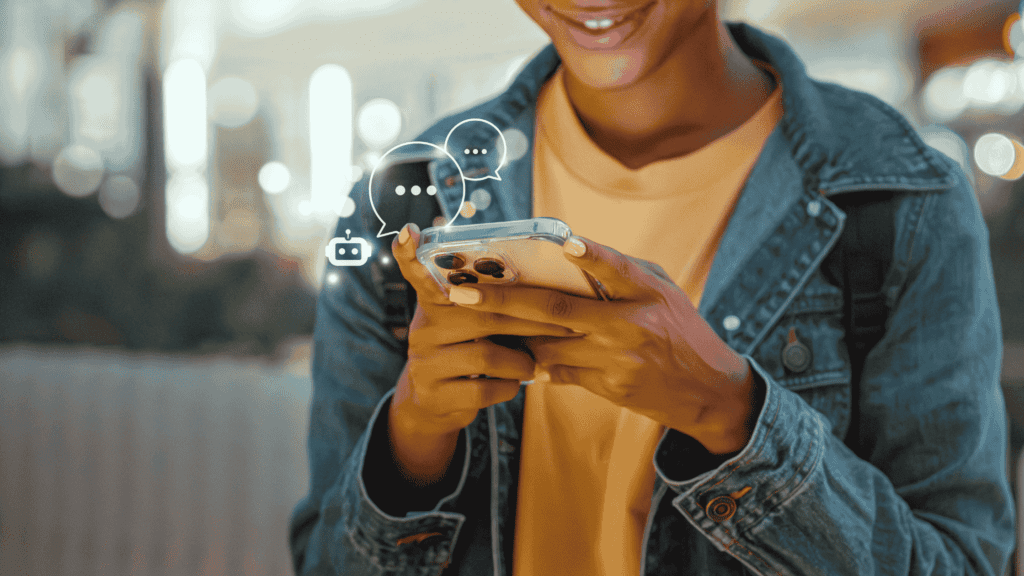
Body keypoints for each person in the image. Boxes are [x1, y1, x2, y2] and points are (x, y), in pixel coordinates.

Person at [288, 0, 1015, 574]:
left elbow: (956, 562)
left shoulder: (900, 200)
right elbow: (326, 564)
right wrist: (414, 434)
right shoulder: (406, 204)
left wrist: (732, 415)